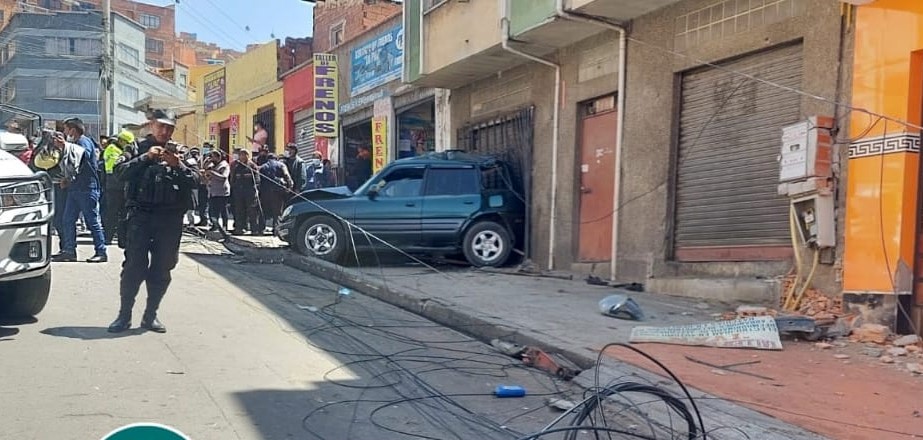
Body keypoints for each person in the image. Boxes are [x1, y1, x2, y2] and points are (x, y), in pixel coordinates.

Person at [108, 109, 194, 333]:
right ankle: (124, 315)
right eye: (161, 126)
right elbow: (118, 172)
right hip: (140, 217)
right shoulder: (135, 148)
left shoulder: (180, 153)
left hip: (169, 220)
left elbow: (196, 180)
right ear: (151, 125)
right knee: (134, 267)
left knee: (163, 268)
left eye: (170, 128)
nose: (165, 131)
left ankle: (150, 316)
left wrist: (178, 165)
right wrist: (146, 158)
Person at [52, 120, 107, 263]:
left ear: (73, 130)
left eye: (66, 129)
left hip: (87, 188)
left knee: (92, 221)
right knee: (67, 219)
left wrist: (66, 145)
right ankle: (69, 250)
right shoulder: (74, 144)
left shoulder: (84, 142)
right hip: (74, 188)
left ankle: (101, 251)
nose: (65, 133)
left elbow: (82, 156)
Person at [102, 130, 135, 245]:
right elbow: (115, 167)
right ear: (121, 141)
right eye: (128, 143)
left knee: (123, 213)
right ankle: (108, 237)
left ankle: (122, 239)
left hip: (120, 185)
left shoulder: (119, 149)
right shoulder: (113, 149)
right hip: (114, 185)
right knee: (113, 213)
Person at [257, 153, 292, 234]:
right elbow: (287, 176)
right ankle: (276, 230)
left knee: (263, 211)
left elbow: (258, 180)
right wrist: (289, 187)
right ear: (276, 158)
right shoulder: (281, 165)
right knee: (277, 212)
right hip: (277, 193)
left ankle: (260, 229)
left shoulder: (263, 167)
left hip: (265, 192)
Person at [229, 149, 261, 235]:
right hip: (239, 192)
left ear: (247, 155)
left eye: (244, 155)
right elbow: (233, 179)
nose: (242, 157)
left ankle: (254, 229)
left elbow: (257, 180)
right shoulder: (237, 166)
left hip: (250, 192)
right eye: (240, 155)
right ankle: (240, 228)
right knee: (239, 211)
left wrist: (256, 190)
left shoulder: (252, 166)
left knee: (252, 211)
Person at [201, 150, 230, 239]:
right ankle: (215, 225)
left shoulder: (224, 165)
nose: (211, 158)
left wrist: (212, 173)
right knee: (213, 210)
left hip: (221, 191)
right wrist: (206, 162)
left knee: (223, 209)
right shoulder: (213, 165)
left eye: (213, 157)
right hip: (212, 191)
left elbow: (224, 177)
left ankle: (225, 226)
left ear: (218, 157)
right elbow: (205, 170)